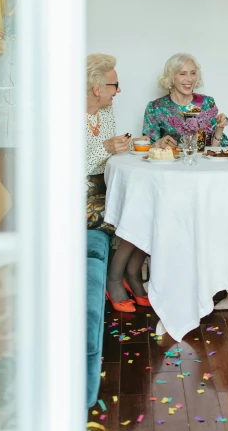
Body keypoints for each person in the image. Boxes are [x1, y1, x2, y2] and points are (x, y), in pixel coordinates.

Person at [85, 53, 150, 312]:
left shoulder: (105, 112)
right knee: (136, 213)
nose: (118, 90)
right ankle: (115, 278)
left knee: (154, 205)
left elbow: (109, 156)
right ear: (97, 88)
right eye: (115, 85)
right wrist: (105, 147)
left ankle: (131, 273)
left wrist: (135, 146)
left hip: (104, 187)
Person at [142, 53, 228, 149]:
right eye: (182, 74)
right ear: (171, 77)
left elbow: (215, 151)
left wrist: (220, 128)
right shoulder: (155, 108)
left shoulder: (207, 103)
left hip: (201, 163)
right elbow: (146, 148)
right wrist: (158, 144)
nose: (189, 79)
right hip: (169, 162)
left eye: (193, 73)